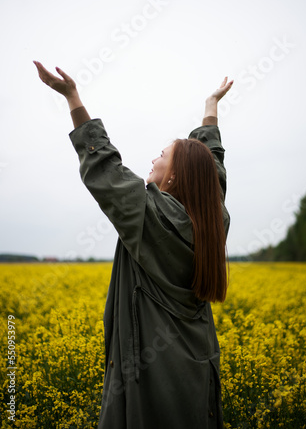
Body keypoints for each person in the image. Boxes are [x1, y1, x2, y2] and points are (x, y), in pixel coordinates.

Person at [33, 60, 233, 429]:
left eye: (162, 154)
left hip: (152, 379)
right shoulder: (213, 221)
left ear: (173, 176)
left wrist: (72, 97)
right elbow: (212, 174)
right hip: (198, 367)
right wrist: (210, 110)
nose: (154, 158)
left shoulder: (149, 216)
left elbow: (104, 166)